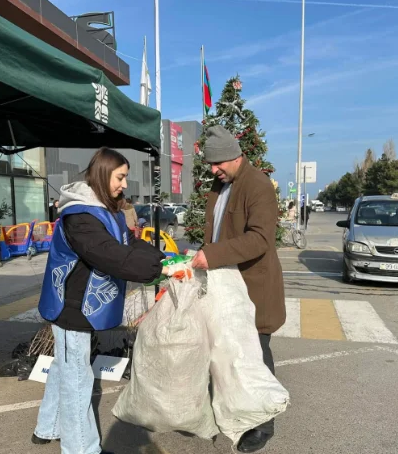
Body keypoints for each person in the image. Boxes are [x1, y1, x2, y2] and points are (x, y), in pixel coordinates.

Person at [34, 147, 170, 454]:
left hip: (83, 307)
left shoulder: (106, 210)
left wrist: (162, 258)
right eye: (120, 177)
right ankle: (81, 448)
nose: (124, 184)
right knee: (77, 380)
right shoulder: (79, 216)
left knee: (65, 368)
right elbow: (109, 254)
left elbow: (128, 242)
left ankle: (46, 427)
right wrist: (157, 269)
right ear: (102, 174)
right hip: (70, 308)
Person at [191, 125, 285, 453]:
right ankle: (233, 412)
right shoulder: (221, 184)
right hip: (224, 288)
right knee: (227, 355)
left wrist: (212, 254)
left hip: (252, 291)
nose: (213, 170)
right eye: (211, 165)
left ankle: (263, 424)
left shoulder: (257, 185)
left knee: (255, 358)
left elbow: (260, 238)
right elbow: (217, 230)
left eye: (217, 164)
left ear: (234, 155)